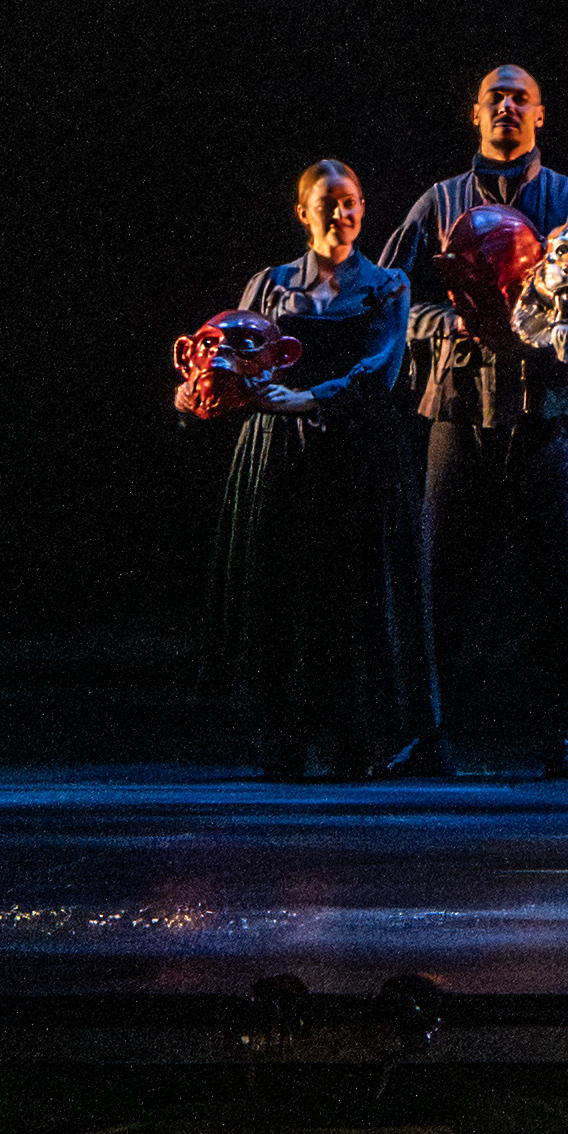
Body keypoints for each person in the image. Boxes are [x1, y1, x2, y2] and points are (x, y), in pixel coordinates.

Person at [374, 63, 568, 774]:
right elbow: (389, 298)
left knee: (559, 578)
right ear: (475, 113)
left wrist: (545, 320)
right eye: (494, 98)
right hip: (458, 408)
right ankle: (429, 732)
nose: (506, 107)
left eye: (519, 98)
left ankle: (564, 733)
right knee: (441, 579)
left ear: (539, 115)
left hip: (546, 410)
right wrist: (449, 322)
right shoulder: (437, 202)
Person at [200, 159, 441, 780]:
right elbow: (232, 361)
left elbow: (384, 370)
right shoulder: (272, 285)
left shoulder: (386, 285)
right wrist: (207, 392)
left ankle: (353, 743)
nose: (343, 212)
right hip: (280, 455)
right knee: (286, 589)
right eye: (329, 201)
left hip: (359, 457)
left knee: (353, 593)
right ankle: (283, 740)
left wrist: (313, 398)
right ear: (304, 212)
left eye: (353, 200)